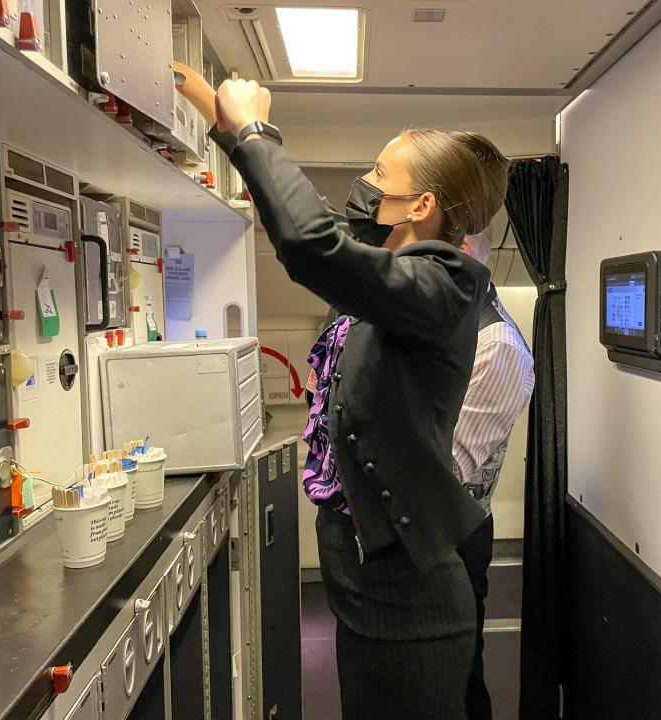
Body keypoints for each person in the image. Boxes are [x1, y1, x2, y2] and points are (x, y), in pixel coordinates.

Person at [208, 78, 511, 720]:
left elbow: (313, 246)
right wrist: (226, 126)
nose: (366, 183)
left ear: (420, 204)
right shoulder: (386, 274)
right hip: (361, 577)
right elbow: (327, 238)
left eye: (380, 172)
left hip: (412, 598)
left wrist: (257, 134)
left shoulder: (446, 283)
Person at [454, 228, 535, 720]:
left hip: (453, 532)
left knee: (458, 673)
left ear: (461, 248)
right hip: (436, 527)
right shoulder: (454, 322)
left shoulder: (497, 345)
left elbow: (449, 469)